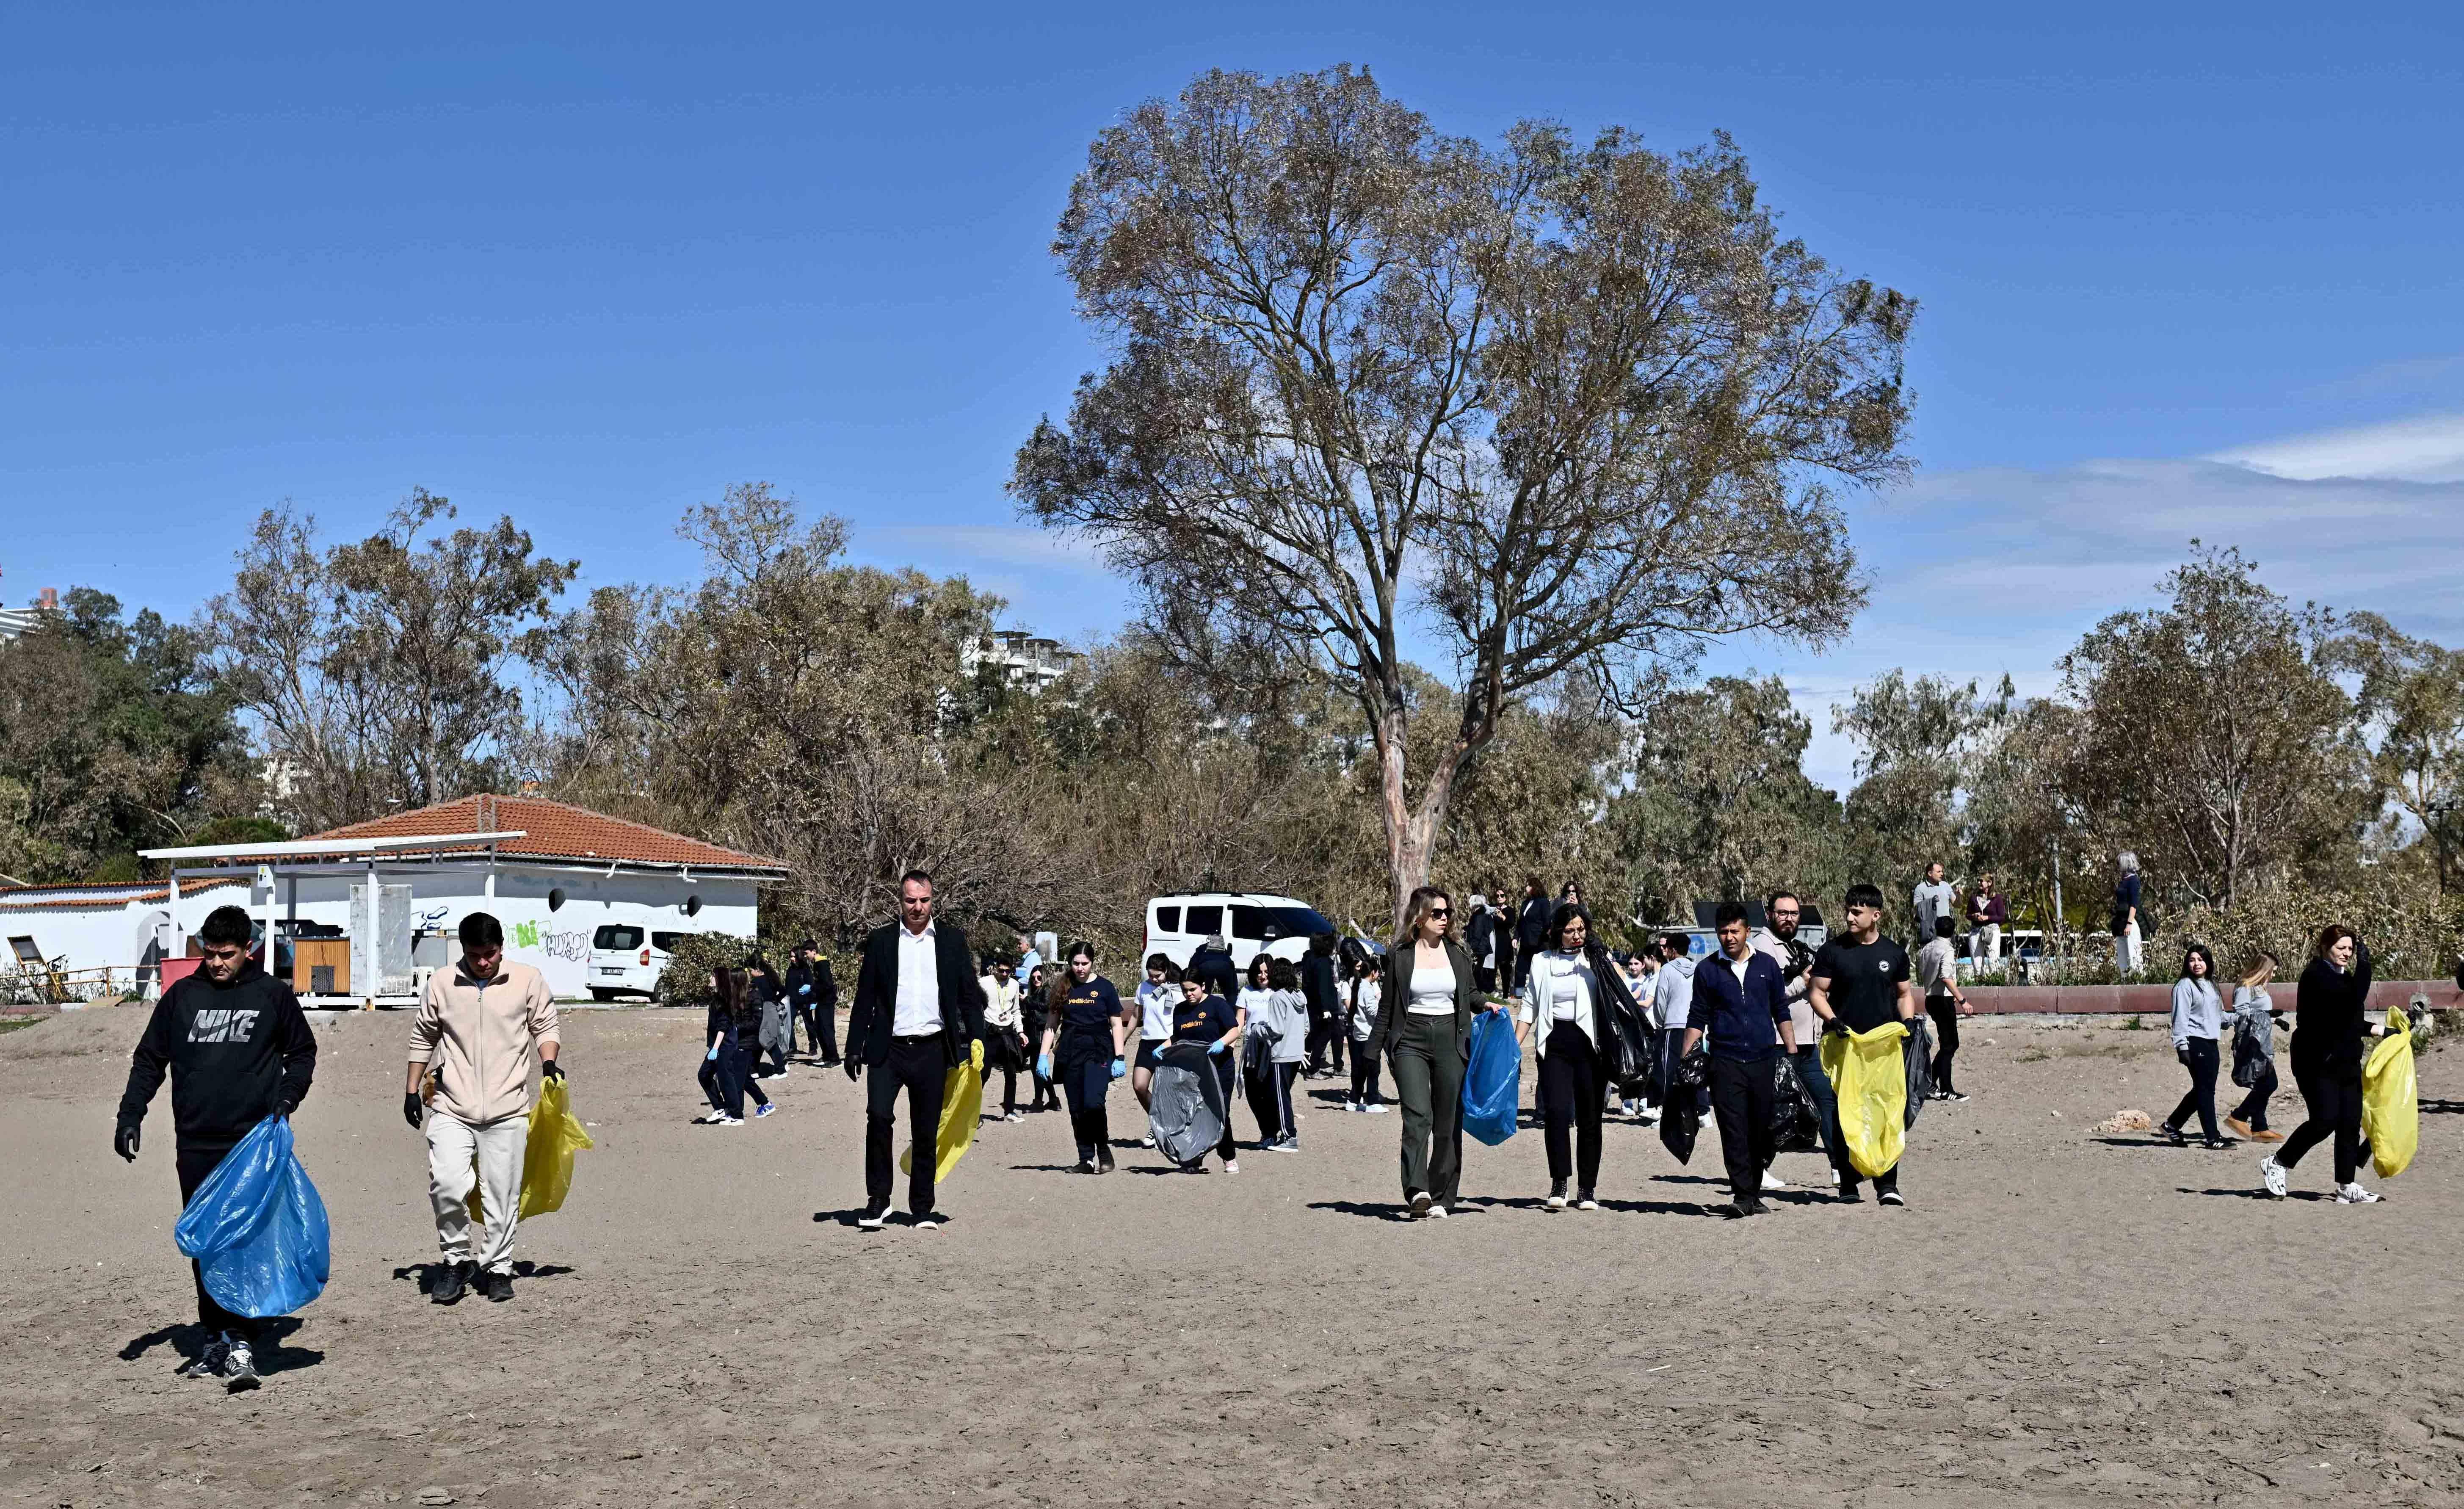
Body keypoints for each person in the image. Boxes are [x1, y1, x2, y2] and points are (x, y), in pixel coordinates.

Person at [114, 904, 317, 1391]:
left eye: (227, 955)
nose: (217, 963)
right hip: (197, 1141)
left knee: (243, 1240)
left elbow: (302, 1053)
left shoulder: (272, 995)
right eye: (209, 954)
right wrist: (130, 1114)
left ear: (249, 950)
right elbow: (149, 1060)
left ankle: (242, 1339)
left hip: (252, 1144)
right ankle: (215, 1338)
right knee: (206, 1243)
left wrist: (287, 1098)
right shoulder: (182, 997)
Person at [405, 911, 561, 1304]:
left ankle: (498, 1267)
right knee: (447, 1184)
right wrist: (411, 1090)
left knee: (502, 1194)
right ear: (464, 950)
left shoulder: (527, 979)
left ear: (501, 948)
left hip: (509, 1107)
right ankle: (456, 1260)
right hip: (452, 1106)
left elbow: (545, 1025)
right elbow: (424, 1035)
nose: (483, 962)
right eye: (475, 955)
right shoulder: (442, 984)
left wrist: (549, 1062)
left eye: (490, 954)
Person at [844, 870, 987, 1230]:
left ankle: (922, 1207)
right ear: (901, 901)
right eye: (911, 901)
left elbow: (970, 996)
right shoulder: (881, 941)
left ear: (932, 899)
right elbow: (865, 999)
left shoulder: (953, 941)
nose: (918, 908)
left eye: (924, 901)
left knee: (926, 1130)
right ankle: (878, 1201)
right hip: (887, 1049)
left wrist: (977, 1037)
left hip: (932, 1049)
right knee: (878, 1118)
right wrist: (852, 1047)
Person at [1370, 885, 1487, 1219]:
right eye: (1437, 913)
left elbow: (1471, 994)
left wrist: (1487, 1005)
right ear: (1419, 916)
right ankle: (1417, 1190)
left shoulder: (1459, 952)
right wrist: (1371, 1052)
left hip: (1452, 1040)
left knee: (1448, 1123)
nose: (1444, 918)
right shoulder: (1401, 955)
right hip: (1410, 1041)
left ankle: (1442, 1197)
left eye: (1447, 912)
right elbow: (1387, 1007)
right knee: (1418, 1116)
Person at [1807, 884, 1923, 1206]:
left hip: (1884, 1049)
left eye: (1856, 912)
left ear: (1876, 915)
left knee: (1887, 1110)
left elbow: (1904, 995)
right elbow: (1817, 993)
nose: (1849, 917)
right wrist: (1833, 1022)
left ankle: (1888, 1185)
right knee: (1846, 1113)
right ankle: (1848, 1184)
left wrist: (1909, 1023)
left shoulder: (1894, 953)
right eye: (1848, 910)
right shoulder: (1832, 952)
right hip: (1845, 1047)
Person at [1515, 903, 1631, 1211]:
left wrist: (1602, 956)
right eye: (1570, 931)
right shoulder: (1541, 961)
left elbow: (1623, 989)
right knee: (1555, 1113)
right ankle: (1560, 1182)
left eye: (1581, 929)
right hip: (1554, 1044)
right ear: (1556, 932)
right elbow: (1529, 1006)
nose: (1577, 935)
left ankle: (1587, 1188)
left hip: (1591, 1046)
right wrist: (1516, 1047)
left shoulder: (1595, 959)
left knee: (1591, 1117)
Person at [1685, 902, 1797, 1217]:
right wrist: (1686, 1061)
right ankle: (1742, 1195)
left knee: (1761, 1130)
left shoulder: (1767, 967)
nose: (1729, 937)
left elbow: (1781, 1010)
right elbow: (1697, 1017)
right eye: (1723, 931)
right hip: (1725, 1061)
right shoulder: (1707, 970)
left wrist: (1790, 1054)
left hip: (1765, 1060)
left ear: (1748, 931)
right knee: (1733, 1129)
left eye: (1735, 931)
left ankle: (1753, 1191)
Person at [2260, 927, 2382, 1203]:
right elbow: (2351, 1001)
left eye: (2351, 949)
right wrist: (2366, 964)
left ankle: (2347, 1185)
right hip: (2316, 1061)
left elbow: (2350, 1021)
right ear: (2326, 947)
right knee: (2325, 1120)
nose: (2347, 954)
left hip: (2347, 1061)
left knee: (2350, 1122)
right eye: (2341, 948)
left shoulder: (2346, 978)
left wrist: (2383, 1031)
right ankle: (2278, 1163)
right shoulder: (2316, 976)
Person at [1750, 891, 1835, 1189]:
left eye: (1794, 914)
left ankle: (1840, 1166)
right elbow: (1766, 993)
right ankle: (1757, 1169)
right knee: (1776, 1107)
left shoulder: (1792, 946)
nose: (1789, 919)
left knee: (1827, 1099)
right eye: (1783, 913)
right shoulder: (1761, 946)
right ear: (1770, 915)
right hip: (1778, 1043)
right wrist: (1805, 981)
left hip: (1808, 1042)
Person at [1037, 941, 1127, 1174]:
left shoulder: (1105, 988)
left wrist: (1120, 1056)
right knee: (1076, 1107)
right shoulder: (1063, 987)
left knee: (1093, 1103)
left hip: (1099, 1050)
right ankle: (1086, 1158)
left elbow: (1116, 1023)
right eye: (1076, 964)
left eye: (1085, 964)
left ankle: (1103, 1148)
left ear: (1092, 962)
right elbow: (1051, 1025)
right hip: (1070, 1050)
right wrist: (1043, 1056)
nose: (1080, 968)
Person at [1169, 972, 1246, 1171]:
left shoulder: (1217, 1005)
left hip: (1221, 1069)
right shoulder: (1180, 1011)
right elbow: (1177, 1038)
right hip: (1195, 1072)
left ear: (1203, 986)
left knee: (1219, 1112)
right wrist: (1163, 1049)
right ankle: (1195, 1157)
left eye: (1193, 989)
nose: (1189, 994)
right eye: (1185, 990)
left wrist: (1222, 1043)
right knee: (1195, 1113)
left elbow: (1235, 1030)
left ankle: (1228, 1156)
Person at [2159, 943, 2228, 1147]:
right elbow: (2180, 1019)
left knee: (2202, 1090)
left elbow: (2221, 1017)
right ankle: (2212, 1138)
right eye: (2192, 960)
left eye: (2200, 960)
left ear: (2208, 962)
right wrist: (2182, 1047)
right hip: (2195, 1042)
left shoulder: (2212, 986)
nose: (2197, 964)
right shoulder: (2184, 987)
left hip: (2212, 1043)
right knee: (2205, 1092)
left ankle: (2171, 1126)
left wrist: (2245, 1017)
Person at [1248, 957, 1311, 1150]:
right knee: (1283, 1095)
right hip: (1297, 1055)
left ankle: (1289, 1137)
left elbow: (1276, 1029)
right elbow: (1306, 1027)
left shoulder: (1277, 998)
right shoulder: (1300, 995)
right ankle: (1286, 1134)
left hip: (1282, 1055)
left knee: (1280, 1097)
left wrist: (1257, 1029)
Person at [693, 965, 768, 1125]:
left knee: (730, 1080)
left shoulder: (724, 1000)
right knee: (705, 1075)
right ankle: (721, 1108)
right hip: (719, 1046)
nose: (710, 979)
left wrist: (715, 1048)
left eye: (712, 977)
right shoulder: (718, 998)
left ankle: (736, 1115)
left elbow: (724, 1026)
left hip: (726, 1047)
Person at [2224, 952, 2284, 1143]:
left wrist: (2274, 1019)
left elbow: (2261, 1016)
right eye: (2272, 971)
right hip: (2252, 1043)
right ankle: (2239, 1116)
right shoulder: (2246, 987)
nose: (2273, 976)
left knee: (2263, 1083)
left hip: (2262, 1041)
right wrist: (2264, 1014)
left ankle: (2260, 1127)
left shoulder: (2260, 988)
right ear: (2262, 969)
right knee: (2270, 1083)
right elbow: (2241, 1013)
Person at [1916, 917, 1975, 1103]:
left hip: (1931, 999)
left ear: (1935, 929)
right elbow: (1946, 976)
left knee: (1948, 1045)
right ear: (1953, 931)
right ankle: (1947, 1089)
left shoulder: (1926, 949)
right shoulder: (1948, 950)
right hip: (1943, 1001)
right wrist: (1963, 1000)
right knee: (1950, 1045)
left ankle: (1931, 1083)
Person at [1651, 931, 1702, 1120]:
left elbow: (1661, 1000)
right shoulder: (1698, 968)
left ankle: (1667, 1111)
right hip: (1695, 1027)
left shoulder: (1667, 969)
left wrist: (1660, 1023)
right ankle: (1700, 1111)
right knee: (1695, 1067)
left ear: (1672, 950)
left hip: (1672, 1025)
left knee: (1669, 1068)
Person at [1130, 953, 1177, 1132]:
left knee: (1164, 1090)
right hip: (1147, 1041)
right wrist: (1123, 1038)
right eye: (1151, 975)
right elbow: (1136, 1016)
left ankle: (1162, 1128)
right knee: (1139, 1086)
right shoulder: (1143, 987)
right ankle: (1159, 1121)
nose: (1154, 979)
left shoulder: (1177, 990)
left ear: (1166, 970)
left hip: (1168, 1042)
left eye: (1158, 976)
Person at [979, 955, 1028, 1122]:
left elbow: (1016, 1011)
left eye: (1008, 971)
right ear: (995, 968)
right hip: (989, 1032)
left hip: (1007, 1033)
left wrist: (1021, 1032)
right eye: (1001, 970)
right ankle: (973, 1113)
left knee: (1011, 1074)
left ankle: (1010, 1111)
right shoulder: (984, 983)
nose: (1005, 974)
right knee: (983, 1074)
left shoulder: (1014, 985)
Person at [1617, 949, 1659, 1121]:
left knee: (1645, 1065)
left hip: (1645, 1029)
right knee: (1628, 1064)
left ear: (1644, 964)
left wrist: (1626, 1003)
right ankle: (1626, 1101)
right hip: (1629, 1029)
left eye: (1637, 963)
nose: (1633, 967)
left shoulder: (1650, 980)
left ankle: (1643, 1099)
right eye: (1631, 964)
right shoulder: (1629, 980)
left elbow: (1645, 1002)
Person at [785, 942, 839, 1067]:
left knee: (827, 1029)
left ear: (814, 951)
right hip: (822, 1001)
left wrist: (811, 988)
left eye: (807, 953)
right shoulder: (817, 964)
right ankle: (826, 1056)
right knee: (819, 1028)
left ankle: (834, 1058)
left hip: (827, 1002)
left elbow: (827, 984)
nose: (805, 956)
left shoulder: (822, 963)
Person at [1344, 956, 1387, 1113]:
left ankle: (1354, 1101)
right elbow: (1372, 1010)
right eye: (1378, 972)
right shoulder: (1367, 987)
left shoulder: (1357, 985)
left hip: (1359, 1034)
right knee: (1373, 1070)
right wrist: (1383, 1009)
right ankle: (1373, 1102)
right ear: (1373, 973)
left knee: (1360, 1071)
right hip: (1369, 1036)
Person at [1301, 932, 1342, 1078]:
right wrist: (1326, 1009)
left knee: (1315, 1035)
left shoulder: (1309, 958)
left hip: (1312, 1003)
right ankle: (1313, 1068)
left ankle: (1308, 1063)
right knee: (1323, 1036)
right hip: (1324, 1007)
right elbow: (1323, 987)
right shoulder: (1323, 963)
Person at [1022, 965, 1059, 1113]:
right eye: (1033, 978)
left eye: (1039, 977)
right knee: (1039, 1069)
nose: (1036, 980)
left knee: (1037, 1069)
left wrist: (1027, 1000)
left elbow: (1046, 1006)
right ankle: (1054, 1101)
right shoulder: (1037, 991)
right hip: (1034, 1034)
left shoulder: (1047, 990)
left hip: (1041, 1035)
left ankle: (1039, 1102)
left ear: (1044, 977)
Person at [750, 954, 791, 1079]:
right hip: (772, 1010)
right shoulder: (771, 978)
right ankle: (754, 1068)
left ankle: (780, 1069)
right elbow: (784, 991)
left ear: (757, 969)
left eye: (751, 970)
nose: (751, 973)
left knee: (765, 1039)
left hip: (765, 1011)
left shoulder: (756, 982)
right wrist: (776, 1001)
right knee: (760, 1040)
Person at [1513, 877, 1550, 991]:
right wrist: (1516, 938)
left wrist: (1544, 937)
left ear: (1534, 887)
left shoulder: (1543, 902)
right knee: (1520, 970)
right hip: (1525, 942)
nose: (1526, 888)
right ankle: (1519, 997)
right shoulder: (1525, 903)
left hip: (1539, 943)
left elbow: (1547, 922)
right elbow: (1520, 922)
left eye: (1528, 886)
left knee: (1538, 970)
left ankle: (1540, 994)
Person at [1964, 876, 2007, 973]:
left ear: (1990, 883)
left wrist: (1988, 918)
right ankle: (1980, 984)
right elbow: (1968, 915)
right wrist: (1974, 916)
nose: (1979, 883)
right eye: (1978, 881)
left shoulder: (1997, 898)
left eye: (1981, 881)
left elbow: (2002, 917)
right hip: (1975, 931)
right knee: (1977, 962)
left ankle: (1995, 984)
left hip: (1992, 931)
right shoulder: (1974, 897)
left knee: (1994, 959)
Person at [2111, 852, 2144, 974]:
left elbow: (2134, 904)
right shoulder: (2123, 880)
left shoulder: (2134, 880)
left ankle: (2138, 985)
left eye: (2120, 863)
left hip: (2129, 923)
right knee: (2122, 958)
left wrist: (2129, 923)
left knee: (2134, 956)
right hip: (2120, 923)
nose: (2118, 866)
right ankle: (2124, 981)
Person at [1912, 861, 1955, 950]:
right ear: (1930, 873)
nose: (1942, 874)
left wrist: (1959, 896)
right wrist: (1931, 902)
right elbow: (1916, 910)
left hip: (1947, 929)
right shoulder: (1920, 888)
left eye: (1942, 872)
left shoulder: (1945, 886)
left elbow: (1957, 904)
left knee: (1948, 954)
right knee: (1931, 956)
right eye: (1939, 872)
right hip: (1931, 930)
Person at [1187, 931, 1240, 1003]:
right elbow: (1231, 966)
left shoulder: (1202, 948)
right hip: (1225, 968)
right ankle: (1235, 1012)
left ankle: (1203, 1010)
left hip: (1205, 968)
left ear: (1209, 940)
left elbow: (1193, 964)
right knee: (1230, 995)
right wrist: (1234, 993)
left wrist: (1192, 977)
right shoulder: (1223, 951)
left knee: (1205, 993)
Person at [1465, 893, 1499, 995]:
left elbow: (1478, 933)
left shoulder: (1479, 916)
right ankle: (1479, 991)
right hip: (1483, 947)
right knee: (1479, 971)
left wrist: (1472, 948)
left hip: (1479, 948)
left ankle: (1477, 992)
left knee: (1477, 972)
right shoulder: (1485, 915)